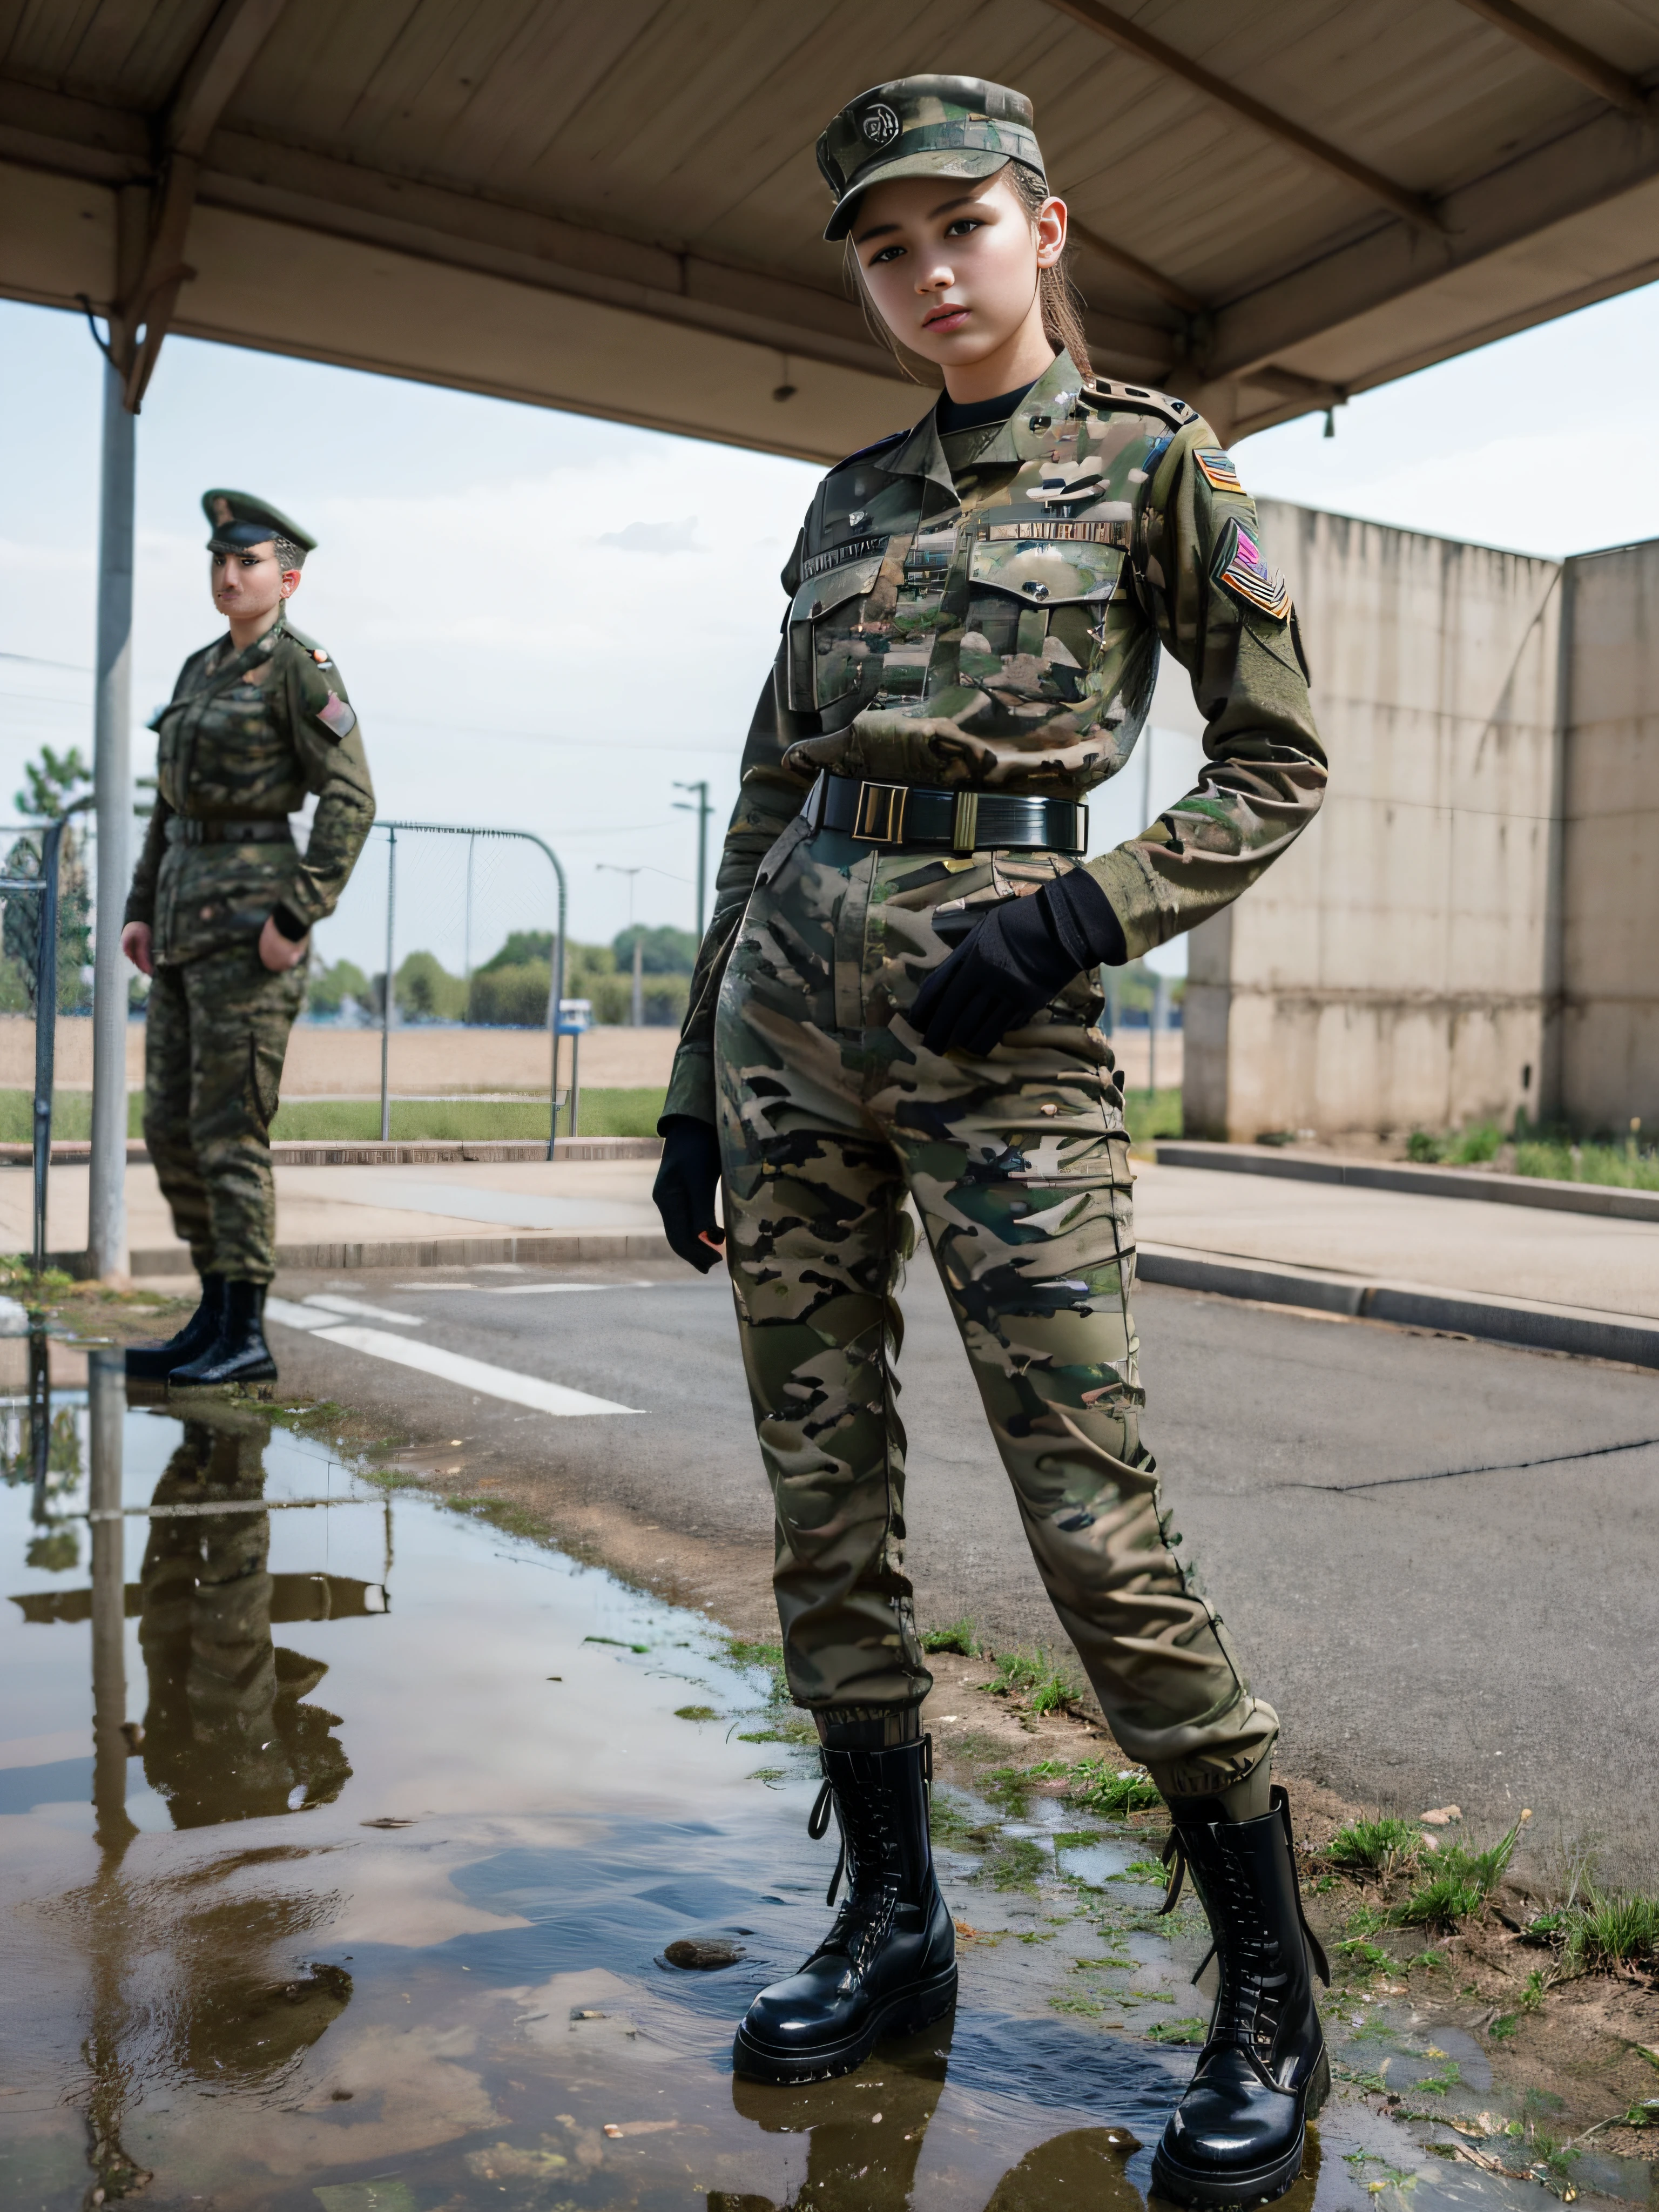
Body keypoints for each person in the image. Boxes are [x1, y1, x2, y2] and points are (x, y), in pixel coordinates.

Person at [652, 76, 1330, 2206]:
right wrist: (690, 1079)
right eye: (884, 247)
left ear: (1046, 226)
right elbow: (768, 793)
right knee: (823, 1500)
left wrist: (1075, 912)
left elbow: (1278, 761)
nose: (926, 272)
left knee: (1093, 1522)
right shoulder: (846, 503)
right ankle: (891, 1921)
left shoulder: (1153, 463)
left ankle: (1269, 1980)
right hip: (793, 1017)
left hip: (1006, 1026)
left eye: (959, 228)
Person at [122, 491, 375, 1387]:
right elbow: (168, 805)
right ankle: (212, 1311)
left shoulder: (304, 669)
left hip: (249, 931)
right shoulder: (200, 668)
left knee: (231, 1132)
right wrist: (140, 906)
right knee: (171, 1130)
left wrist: (297, 915)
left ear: (287, 578)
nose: (229, 576)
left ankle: (246, 1333)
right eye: (219, 562)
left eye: (249, 563)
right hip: (185, 925)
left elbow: (351, 797)